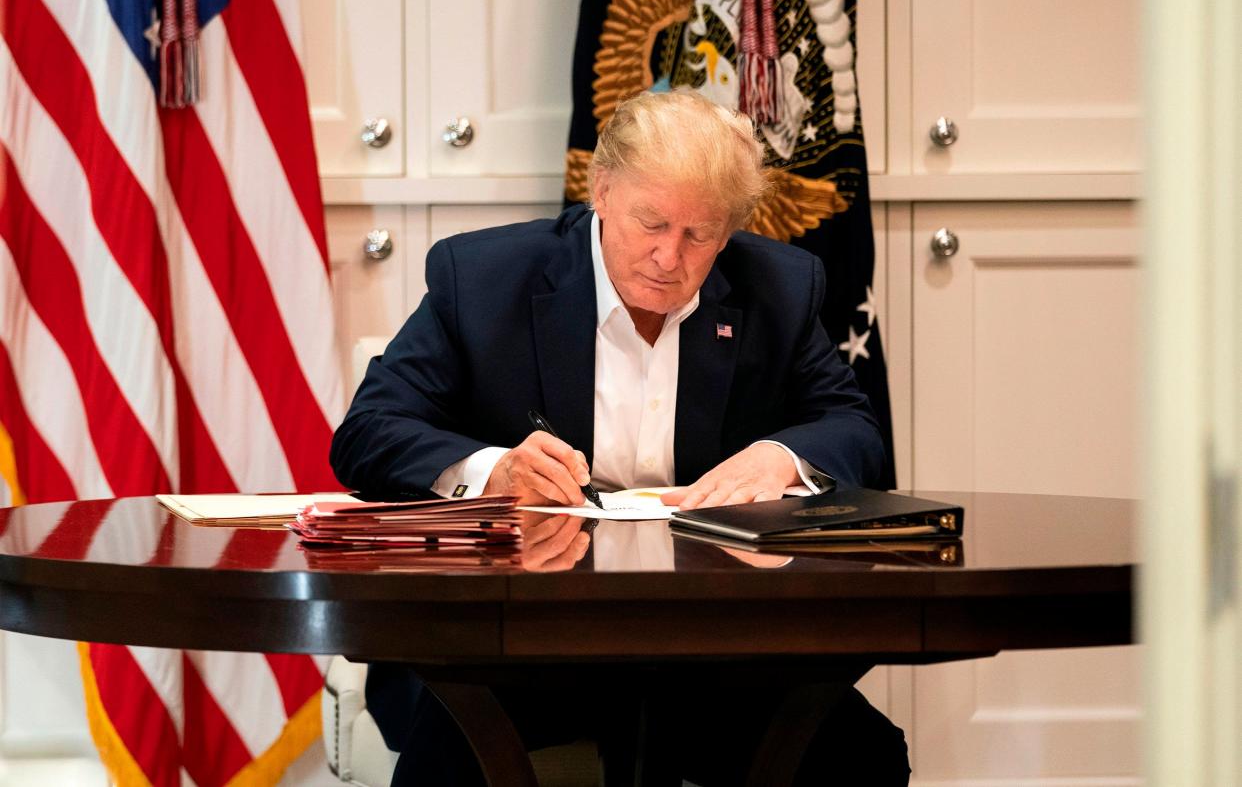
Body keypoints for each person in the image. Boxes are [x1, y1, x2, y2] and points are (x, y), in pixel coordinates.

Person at [330, 90, 908, 785]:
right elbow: (368, 432)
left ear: (728, 232)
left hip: (714, 648)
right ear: (602, 192)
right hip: (516, 643)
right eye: (651, 223)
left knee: (859, 754)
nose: (670, 256)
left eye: (699, 235)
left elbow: (853, 429)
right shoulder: (483, 279)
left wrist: (781, 457)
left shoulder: (777, 289)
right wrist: (492, 471)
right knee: (450, 755)